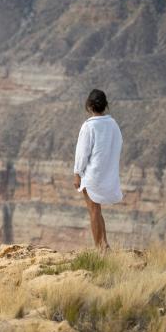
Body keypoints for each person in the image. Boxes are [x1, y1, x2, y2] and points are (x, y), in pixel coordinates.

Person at [73, 89, 122, 252]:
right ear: (105, 105)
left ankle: (98, 248)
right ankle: (105, 244)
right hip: (106, 173)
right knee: (97, 209)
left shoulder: (89, 126)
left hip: (92, 174)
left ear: (89, 106)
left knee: (93, 211)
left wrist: (77, 173)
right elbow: (117, 145)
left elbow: (82, 152)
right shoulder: (113, 124)